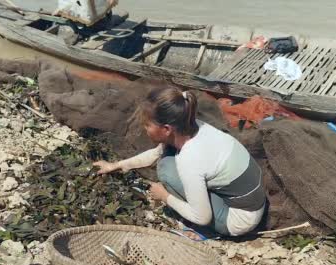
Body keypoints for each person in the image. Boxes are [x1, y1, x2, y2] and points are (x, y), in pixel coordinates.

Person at [93, 87, 266, 237]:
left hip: (238, 220)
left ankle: (217, 229)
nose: (144, 129)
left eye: (147, 125)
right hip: (249, 201)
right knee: (167, 155)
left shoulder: (190, 159)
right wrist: (116, 165)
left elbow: (202, 218)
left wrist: (165, 196)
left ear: (167, 129)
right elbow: (157, 152)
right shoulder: (194, 126)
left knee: (166, 170)